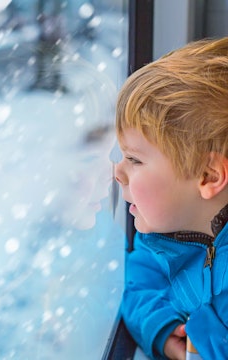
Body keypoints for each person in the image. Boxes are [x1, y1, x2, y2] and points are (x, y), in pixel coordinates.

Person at [114, 37, 228, 359]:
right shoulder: (169, 237)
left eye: (134, 160)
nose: (117, 172)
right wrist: (163, 330)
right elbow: (137, 283)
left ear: (208, 176)